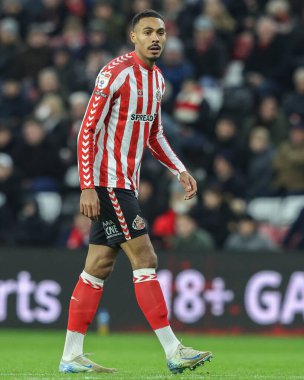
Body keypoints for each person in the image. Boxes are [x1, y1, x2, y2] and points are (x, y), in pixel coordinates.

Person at [59, 9, 212, 375]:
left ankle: (71, 355)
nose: (156, 38)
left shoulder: (157, 81)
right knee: (145, 259)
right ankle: (174, 350)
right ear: (134, 36)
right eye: (148, 32)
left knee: (98, 266)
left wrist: (180, 169)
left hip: (124, 184)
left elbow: (154, 135)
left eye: (160, 32)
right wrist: (88, 186)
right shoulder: (115, 73)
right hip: (108, 183)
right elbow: (87, 131)